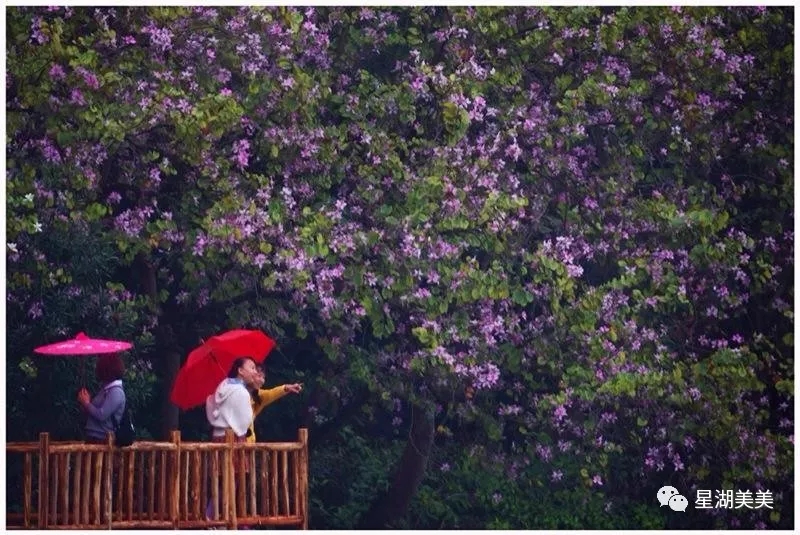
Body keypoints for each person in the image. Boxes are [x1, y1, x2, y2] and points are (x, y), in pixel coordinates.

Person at [205, 357, 260, 521]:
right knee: (233, 480)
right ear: (240, 371)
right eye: (251, 367)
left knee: (221, 480)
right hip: (234, 438)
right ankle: (220, 517)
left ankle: (213, 515)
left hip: (218, 436)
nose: (255, 372)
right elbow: (245, 420)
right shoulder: (240, 391)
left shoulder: (224, 386)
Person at [77, 353, 126, 444]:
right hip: (94, 436)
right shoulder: (106, 389)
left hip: (102, 438)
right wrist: (85, 402)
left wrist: (87, 403)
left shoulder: (116, 392)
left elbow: (102, 415)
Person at [246, 366, 303, 443]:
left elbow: (271, 393)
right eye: (259, 376)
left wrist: (286, 388)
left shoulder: (258, 395)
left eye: (263, 377)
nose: (262, 380)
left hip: (248, 444)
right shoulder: (237, 392)